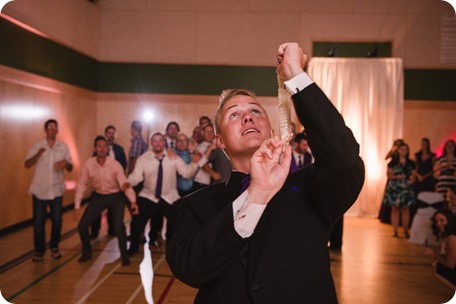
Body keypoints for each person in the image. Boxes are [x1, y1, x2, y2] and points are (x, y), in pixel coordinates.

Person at [166, 43, 365, 303]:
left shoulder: (309, 187)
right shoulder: (195, 205)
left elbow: (345, 161)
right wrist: (257, 194)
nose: (247, 118)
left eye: (255, 111)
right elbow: (189, 268)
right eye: (234, 115)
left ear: (271, 131)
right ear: (220, 141)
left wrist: (295, 73)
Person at [126, 132, 205, 256]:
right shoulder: (143, 159)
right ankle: (133, 248)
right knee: (137, 222)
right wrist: (127, 182)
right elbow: (135, 177)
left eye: (160, 141)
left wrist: (194, 163)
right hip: (148, 195)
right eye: (155, 141)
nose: (158, 143)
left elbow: (186, 173)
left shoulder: (173, 157)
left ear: (164, 142)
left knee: (178, 223)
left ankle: (174, 249)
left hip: (170, 196)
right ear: (151, 143)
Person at [73, 136, 138, 266]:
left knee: (118, 226)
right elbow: (82, 185)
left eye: (104, 146)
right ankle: (87, 253)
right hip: (98, 197)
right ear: (95, 148)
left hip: (116, 197)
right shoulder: (89, 164)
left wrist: (133, 201)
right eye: (99, 146)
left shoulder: (115, 165)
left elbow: (124, 184)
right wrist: (77, 206)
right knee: (82, 226)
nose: (102, 148)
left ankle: (124, 255)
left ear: (108, 148)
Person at [25, 119, 73, 262]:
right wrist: (37, 155)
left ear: (57, 131)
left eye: (55, 127)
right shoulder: (37, 146)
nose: (52, 129)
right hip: (40, 190)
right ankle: (39, 251)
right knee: (39, 222)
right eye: (50, 127)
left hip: (56, 190)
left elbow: (71, 167)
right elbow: (27, 164)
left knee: (57, 221)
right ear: (45, 130)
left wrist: (66, 164)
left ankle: (54, 247)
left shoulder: (63, 147)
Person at [91, 125, 128, 238]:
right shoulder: (99, 149)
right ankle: (94, 231)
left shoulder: (119, 149)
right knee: (96, 209)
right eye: (109, 133)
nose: (111, 135)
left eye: (113, 133)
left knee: (114, 208)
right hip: (101, 184)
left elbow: (123, 164)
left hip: (116, 184)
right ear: (106, 134)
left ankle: (112, 229)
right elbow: (93, 164)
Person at [382, 142, 417, 237]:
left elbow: (414, 175)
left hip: (406, 189)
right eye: (401, 149)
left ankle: (406, 231)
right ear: (398, 150)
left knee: (406, 210)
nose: (403, 151)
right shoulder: (393, 163)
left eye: (405, 149)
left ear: (407, 151)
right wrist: (398, 177)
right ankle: (395, 231)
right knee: (395, 210)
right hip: (394, 188)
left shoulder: (411, 163)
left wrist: (411, 181)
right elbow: (389, 175)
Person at [424, 209, 456, 289]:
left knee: (437, 267)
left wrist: (434, 255)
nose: (438, 224)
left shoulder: (452, 237)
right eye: (436, 221)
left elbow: (450, 264)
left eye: (442, 220)